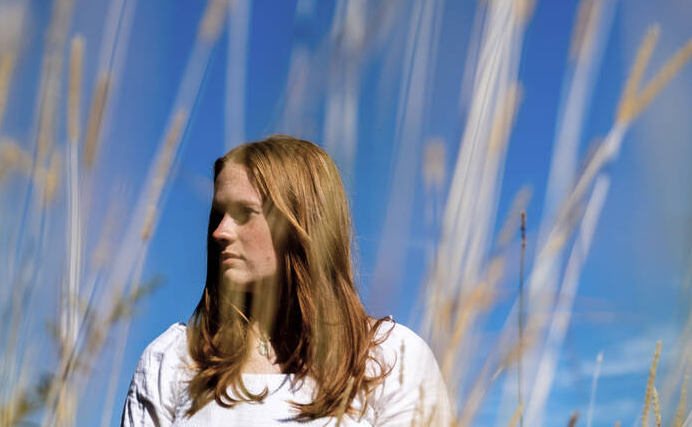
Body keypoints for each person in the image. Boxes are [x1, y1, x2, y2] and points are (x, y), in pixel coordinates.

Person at [120, 135, 451, 425]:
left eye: (244, 213)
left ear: (303, 224)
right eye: (218, 214)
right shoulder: (174, 360)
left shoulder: (391, 360)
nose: (220, 232)